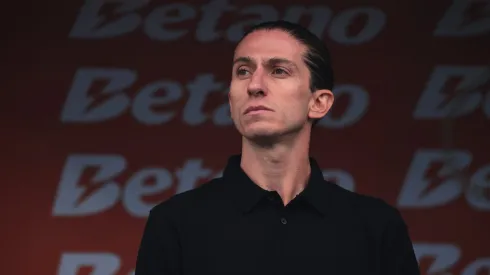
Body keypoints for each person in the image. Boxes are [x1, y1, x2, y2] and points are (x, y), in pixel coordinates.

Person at [134, 20, 420, 275]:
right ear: (230, 99)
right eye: (243, 71)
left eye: (279, 70)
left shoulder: (376, 226)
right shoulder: (175, 222)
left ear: (318, 102)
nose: (255, 85)